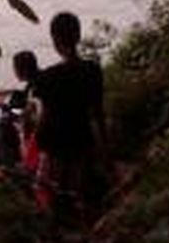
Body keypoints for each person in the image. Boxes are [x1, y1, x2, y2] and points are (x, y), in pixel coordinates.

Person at [33, 12, 111, 233]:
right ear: (77, 36)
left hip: (56, 144)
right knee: (81, 190)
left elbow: (45, 115)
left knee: (52, 192)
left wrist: (37, 139)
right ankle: (88, 224)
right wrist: (105, 147)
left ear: (55, 40)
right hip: (83, 139)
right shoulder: (92, 70)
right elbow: (98, 112)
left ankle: (58, 228)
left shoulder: (47, 77)